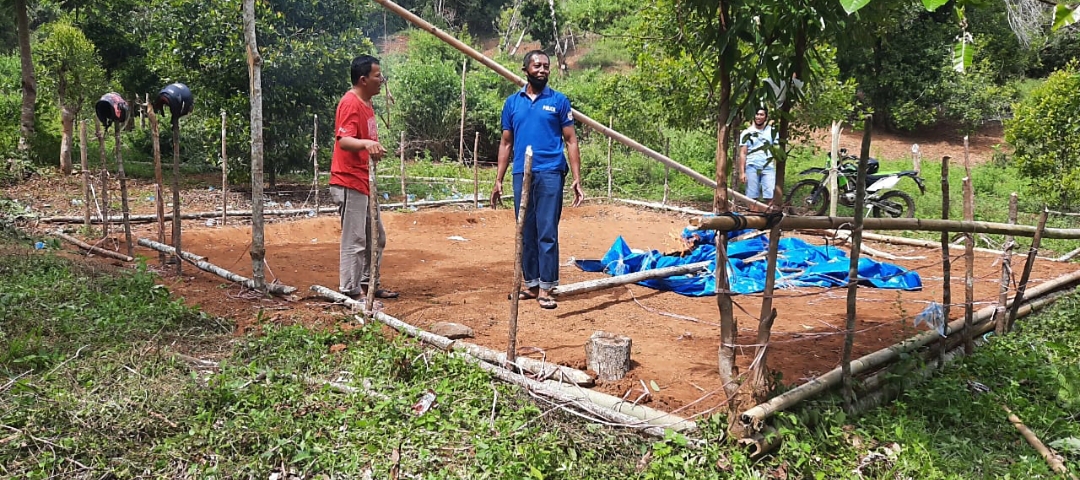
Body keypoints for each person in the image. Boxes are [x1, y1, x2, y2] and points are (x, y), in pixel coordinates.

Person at [491, 50, 584, 310]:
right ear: (526, 69)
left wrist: (577, 178)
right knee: (525, 230)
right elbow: (506, 143)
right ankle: (531, 285)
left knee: (547, 230)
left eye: (546, 66)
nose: (542, 70)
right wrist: (498, 180)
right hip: (522, 172)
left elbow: (571, 140)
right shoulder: (512, 103)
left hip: (551, 170)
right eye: (537, 65)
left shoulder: (559, 101)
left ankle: (546, 287)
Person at [330, 54, 398, 300]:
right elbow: (344, 140)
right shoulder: (350, 103)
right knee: (355, 238)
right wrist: (367, 143)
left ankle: (369, 284)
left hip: (364, 180)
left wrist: (371, 148)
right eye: (378, 76)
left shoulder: (367, 103)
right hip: (349, 181)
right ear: (363, 79)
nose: (382, 80)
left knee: (375, 236)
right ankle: (350, 290)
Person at [738, 106, 778, 211]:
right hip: (752, 166)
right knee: (752, 196)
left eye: (761, 114)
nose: (759, 117)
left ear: (766, 117)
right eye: (757, 114)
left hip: (768, 167)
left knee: (770, 195)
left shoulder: (772, 132)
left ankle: (769, 220)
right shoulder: (747, 133)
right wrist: (742, 172)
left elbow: (777, 150)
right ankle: (754, 220)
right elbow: (743, 153)